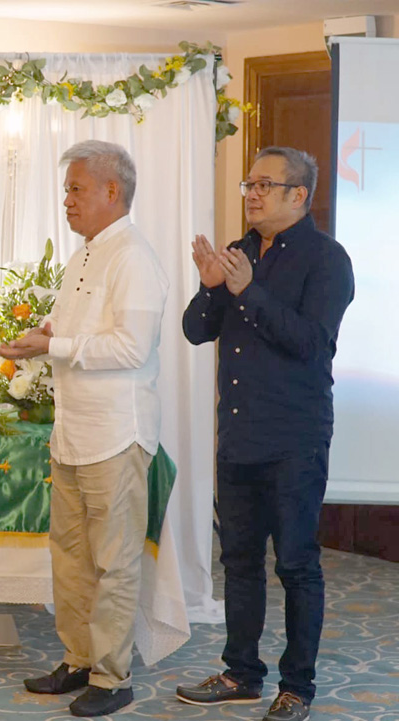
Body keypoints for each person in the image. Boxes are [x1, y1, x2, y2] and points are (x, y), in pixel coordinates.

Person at [176, 147, 354, 721]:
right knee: (241, 560)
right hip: (238, 434)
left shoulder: (327, 260)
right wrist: (211, 286)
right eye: (247, 183)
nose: (250, 194)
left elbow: (310, 343)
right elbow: (195, 331)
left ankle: (297, 684)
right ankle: (241, 673)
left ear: (298, 196)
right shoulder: (241, 250)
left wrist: (248, 292)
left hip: (295, 438)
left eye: (264, 185)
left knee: (297, 563)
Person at [0, 140, 168, 717]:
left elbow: (131, 347)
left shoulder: (134, 257)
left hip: (117, 433)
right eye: (66, 190)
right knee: (68, 555)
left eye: (76, 189)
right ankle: (78, 658)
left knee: (113, 560)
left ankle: (112, 677)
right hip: (73, 430)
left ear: (111, 192)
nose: (66, 201)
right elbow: (73, 335)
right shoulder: (85, 255)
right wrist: (38, 343)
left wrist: (55, 344)